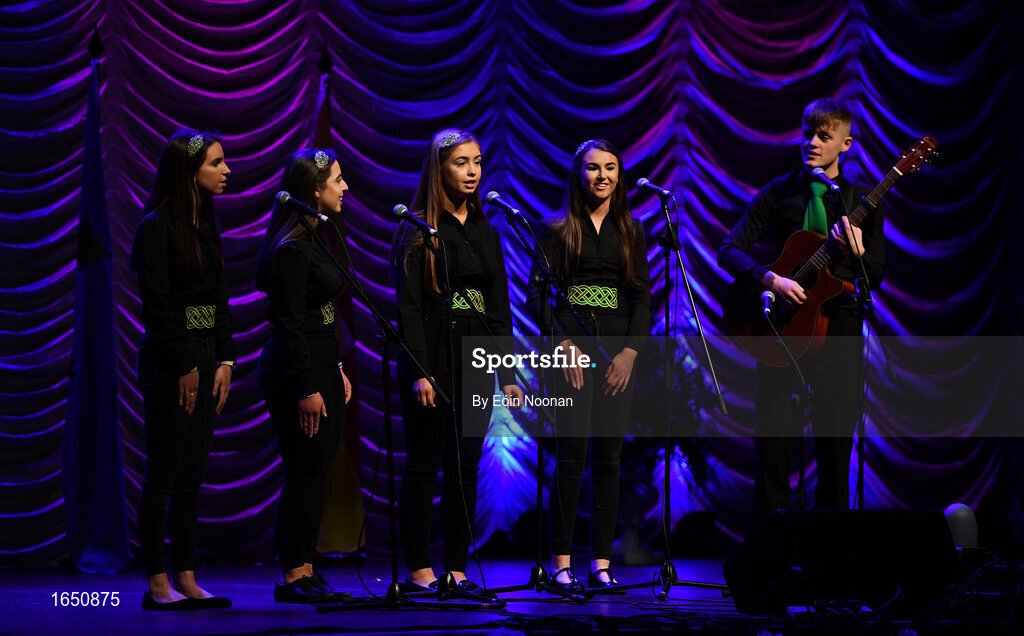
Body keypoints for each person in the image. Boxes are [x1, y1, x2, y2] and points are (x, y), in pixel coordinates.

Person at [717, 98, 886, 520]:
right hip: (783, 329)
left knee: (835, 448)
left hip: (839, 329)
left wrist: (859, 253)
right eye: (808, 134)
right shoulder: (779, 190)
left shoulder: (860, 200)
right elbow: (729, 250)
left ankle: (831, 550)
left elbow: (877, 275)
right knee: (773, 447)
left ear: (845, 144)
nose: (811, 142)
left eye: (824, 136)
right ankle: (772, 548)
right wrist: (770, 279)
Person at [391, 128, 523, 594]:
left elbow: (499, 307)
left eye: (477, 162)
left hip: (476, 360)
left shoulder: (486, 229)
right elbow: (408, 309)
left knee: (465, 468)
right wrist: (421, 371)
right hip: (432, 359)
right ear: (439, 169)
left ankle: (456, 569)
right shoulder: (417, 229)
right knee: (424, 465)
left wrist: (507, 374)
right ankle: (419, 571)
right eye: (461, 162)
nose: (472, 171)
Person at [528, 139, 651, 593]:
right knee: (571, 456)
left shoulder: (632, 230)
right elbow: (537, 296)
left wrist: (629, 353)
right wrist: (562, 343)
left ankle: (601, 564)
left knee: (608, 461)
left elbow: (642, 298)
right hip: (570, 356)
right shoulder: (556, 228)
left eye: (611, 168)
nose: (603, 176)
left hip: (617, 356)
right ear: (578, 174)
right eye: (594, 168)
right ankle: (562, 564)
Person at [132, 129, 235, 610]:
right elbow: (157, 306)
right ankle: (158, 584)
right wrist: (187, 364)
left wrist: (225, 359)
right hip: (170, 362)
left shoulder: (207, 223)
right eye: (216, 162)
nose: (226, 170)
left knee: (192, 476)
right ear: (189, 172)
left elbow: (219, 299)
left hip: (206, 356)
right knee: (163, 474)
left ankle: (187, 578)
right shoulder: (156, 227)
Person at [255, 148, 354, 603]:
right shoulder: (293, 246)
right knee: (303, 473)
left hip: (321, 364)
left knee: (316, 474)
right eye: (337, 180)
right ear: (315, 190)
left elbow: (323, 312)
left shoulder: (318, 233)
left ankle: (307, 569)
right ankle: (292, 575)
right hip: (298, 370)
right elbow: (291, 323)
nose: (345, 187)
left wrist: (337, 367)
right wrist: (306, 386)